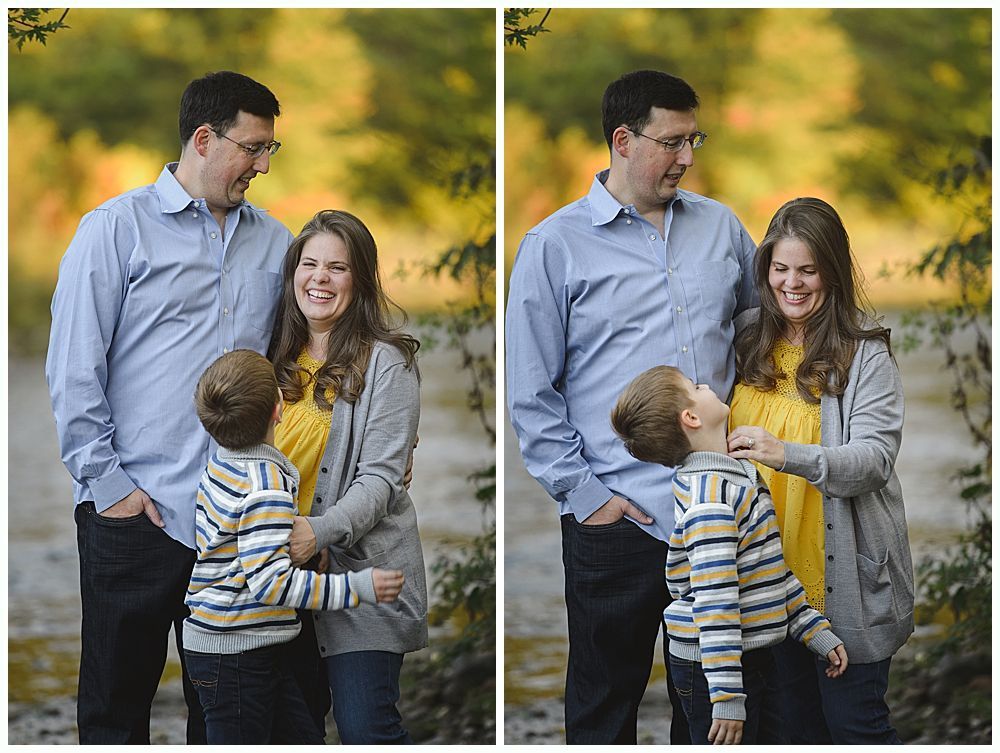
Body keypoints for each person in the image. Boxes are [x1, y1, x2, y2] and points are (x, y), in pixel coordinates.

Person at [506, 69, 757, 743]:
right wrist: (586, 496)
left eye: (694, 138)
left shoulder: (723, 228)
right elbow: (529, 391)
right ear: (623, 139)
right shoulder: (551, 246)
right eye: (674, 141)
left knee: (716, 701)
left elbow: (764, 338)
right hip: (615, 517)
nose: (689, 157)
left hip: (719, 506)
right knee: (603, 701)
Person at [45, 71, 291, 743]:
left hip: (236, 519)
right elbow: (73, 371)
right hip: (137, 516)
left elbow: (296, 365)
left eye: (273, 150)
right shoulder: (112, 231)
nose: (264, 165)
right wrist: (111, 489)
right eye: (254, 147)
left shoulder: (276, 242)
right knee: (115, 708)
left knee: (228, 714)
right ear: (205, 139)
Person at [726, 197, 913, 744]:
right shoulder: (746, 339)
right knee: (790, 731)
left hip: (843, 587)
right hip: (766, 583)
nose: (793, 284)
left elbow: (873, 462)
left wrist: (786, 454)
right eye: (780, 269)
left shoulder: (865, 355)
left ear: (832, 269)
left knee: (854, 727)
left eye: (808, 270)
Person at [610, 365, 848, 745]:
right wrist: (726, 700)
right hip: (714, 668)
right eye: (694, 386)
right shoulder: (711, 503)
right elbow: (715, 605)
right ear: (691, 417)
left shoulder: (734, 476)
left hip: (747, 654)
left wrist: (811, 628)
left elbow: (766, 568)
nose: (704, 384)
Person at [183, 348, 404, 743]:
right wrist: (356, 588)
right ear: (280, 408)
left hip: (244, 645)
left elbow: (239, 542)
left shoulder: (222, 463)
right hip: (235, 653)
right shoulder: (265, 487)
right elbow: (270, 584)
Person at [267, 209, 427, 744]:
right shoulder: (271, 360)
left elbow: (381, 480)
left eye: (337, 268)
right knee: (291, 731)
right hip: (278, 572)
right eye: (309, 264)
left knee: (367, 728)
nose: (319, 278)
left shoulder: (389, 363)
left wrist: (319, 531)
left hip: (360, 573)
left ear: (359, 279)